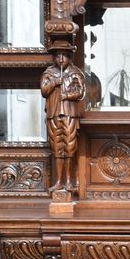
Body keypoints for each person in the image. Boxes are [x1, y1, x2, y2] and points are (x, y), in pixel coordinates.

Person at [41, 46, 86, 192]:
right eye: (58, 56)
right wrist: (54, 82)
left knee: (69, 146)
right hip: (54, 113)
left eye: (64, 56)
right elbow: (43, 90)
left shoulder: (75, 73)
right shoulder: (49, 73)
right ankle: (59, 181)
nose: (61, 59)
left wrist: (67, 95)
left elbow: (80, 92)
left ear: (69, 58)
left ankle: (69, 181)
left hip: (69, 114)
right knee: (56, 147)